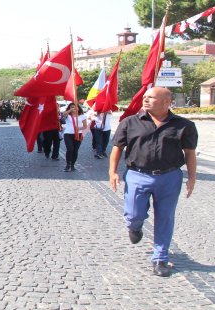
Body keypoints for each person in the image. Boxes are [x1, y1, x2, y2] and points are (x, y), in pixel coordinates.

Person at [109, 87, 198, 278]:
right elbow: (118, 148)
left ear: (166, 102)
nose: (145, 100)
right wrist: (113, 172)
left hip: (169, 176)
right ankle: (135, 226)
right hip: (137, 174)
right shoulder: (130, 122)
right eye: (145, 97)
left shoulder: (184, 126)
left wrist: (192, 177)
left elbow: (190, 153)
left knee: (165, 217)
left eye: (151, 97)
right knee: (133, 214)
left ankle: (160, 258)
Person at [61, 103, 87, 172]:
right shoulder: (68, 115)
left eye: (75, 107)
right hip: (68, 134)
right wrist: (70, 110)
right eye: (72, 107)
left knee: (75, 150)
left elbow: (85, 126)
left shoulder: (82, 116)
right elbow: (63, 115)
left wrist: (79, 128)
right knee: (70, 149)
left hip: (78, 134)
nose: (74, 108)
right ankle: (68, 165)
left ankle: (72, 165)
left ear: (78, 108)